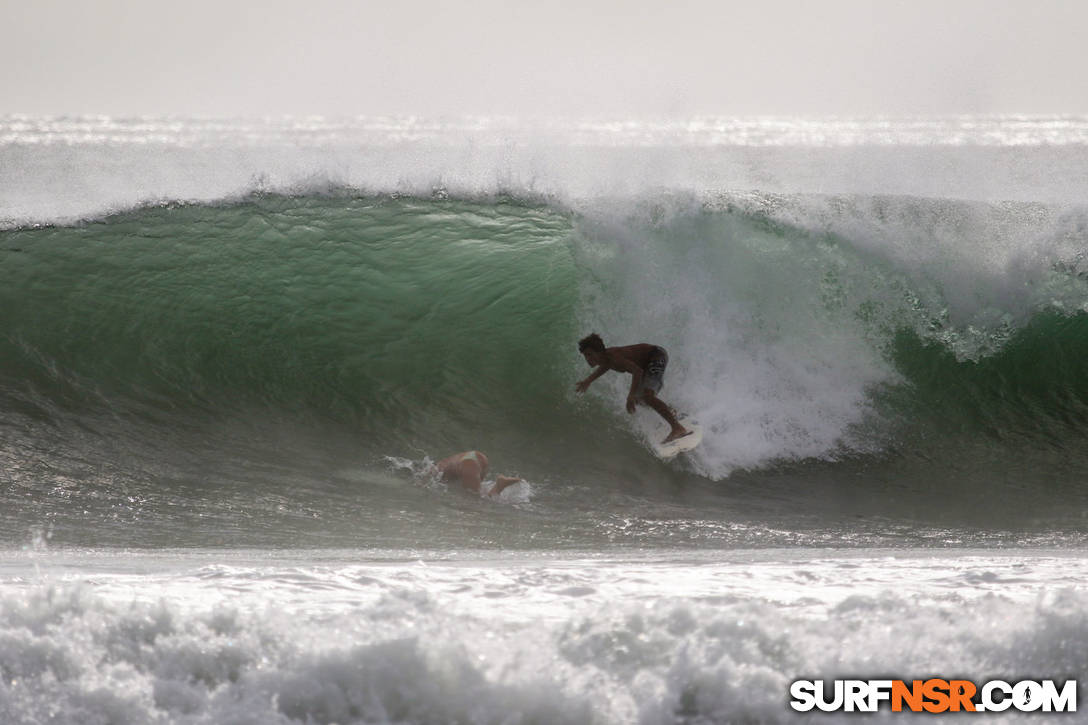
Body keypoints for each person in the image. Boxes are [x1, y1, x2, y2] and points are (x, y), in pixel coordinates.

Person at [575, 332, 692, 444]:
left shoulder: (614, 357)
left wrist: (630, 396)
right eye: (585, 355)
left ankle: (677, 428)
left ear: (599, 352)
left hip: (656, 356)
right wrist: (588, 380)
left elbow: (637, 371)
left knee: (647, 396)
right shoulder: (605, 359)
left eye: (590, 354)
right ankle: (671, 412)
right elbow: (606, 366)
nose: (587, 359)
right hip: (648, 363)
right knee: (639, 400)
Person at [435, 450, 522, 497]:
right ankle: (498, 486)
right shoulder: (444, 463)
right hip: (476, 456)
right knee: (479, 492)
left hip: (467, 465)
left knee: (474, 500)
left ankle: (499, 486)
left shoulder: (437, 470)